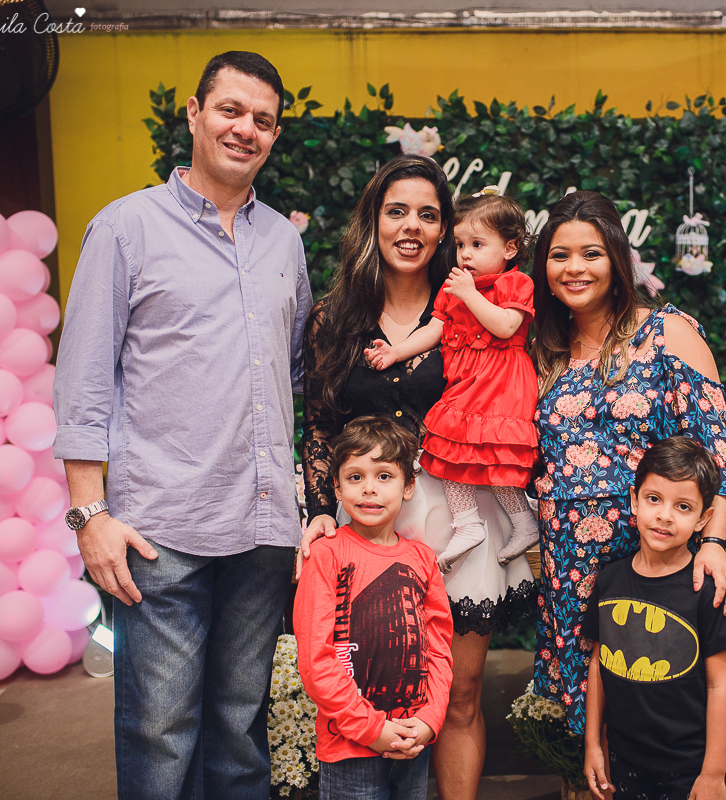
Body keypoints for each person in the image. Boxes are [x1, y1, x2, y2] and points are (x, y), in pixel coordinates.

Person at [53, 51, 312, 799]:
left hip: (262, 527)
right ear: (195, 114)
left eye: (263, 120)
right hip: (159, 529)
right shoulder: (126, 227)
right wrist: (88, 515)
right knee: (159, 733)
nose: (246, 129)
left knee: (240, 727)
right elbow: (84, 379)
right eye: (230, 110)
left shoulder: (283, 243)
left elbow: (287, 373)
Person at [299, 155, 535, 800]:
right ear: (372, 220)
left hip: (460, 511)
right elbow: (318, 423)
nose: (411, 226)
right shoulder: (335, 315)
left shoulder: (471, 302)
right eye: (396, 211)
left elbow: (516, 389)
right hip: (371, 517)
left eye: (428, 215)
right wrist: (322, 507)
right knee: (369, 683)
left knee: (456, 693)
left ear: (445, 230)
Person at [531, 190, 726, 737]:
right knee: (596, 717)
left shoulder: (668, 332)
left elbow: (715, 450)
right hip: (574, 566)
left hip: (656, 555)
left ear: (618, 260)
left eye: (591, 253)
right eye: (560, 255)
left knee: (667, 709)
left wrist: (715, 542)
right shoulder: (543, 349)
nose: (574, 268)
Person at [365, 187, 539, 572]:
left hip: (500, 383)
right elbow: (434, 330)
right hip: (466, 385)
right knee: (445, 449)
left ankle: (525, 521)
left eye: (478, 244)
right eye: (461, 244)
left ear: (509, 249)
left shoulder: (515, 284)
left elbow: (507, 326)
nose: (466, 254)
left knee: (497, 457)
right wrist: (395, 351)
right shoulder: (456, 285)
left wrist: (470, 294)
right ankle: (467, 523)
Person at [294, 416, 453, 800]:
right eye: (355, 477)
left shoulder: (422, 559)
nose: (369, 489)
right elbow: (317, 659)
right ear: (336, 485)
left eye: (384, 476)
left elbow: (438, 647)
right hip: (349, 746)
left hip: (413, 739)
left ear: (409, 486)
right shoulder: (326, 555)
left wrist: (430, 720)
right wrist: (370, 729)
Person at [583, 437, 726, 800]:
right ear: (634, 500)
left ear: (705, 518)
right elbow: (598, 662)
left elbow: (721, 686)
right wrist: (593, 744)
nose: (664, 515)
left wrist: (713, 773)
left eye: (683, 506)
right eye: (653, 499)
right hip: (622, 758)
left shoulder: (707, 591)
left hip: (686, 766)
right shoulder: (610, 580)